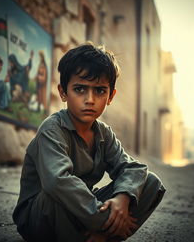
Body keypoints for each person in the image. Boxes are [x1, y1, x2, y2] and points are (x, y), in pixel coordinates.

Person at [12, 42, 166, 242]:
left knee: (150, 182)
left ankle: (97, 236)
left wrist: (122, 199)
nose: (90, 99)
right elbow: (57, 182)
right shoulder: (52, 130)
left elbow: (133, 168)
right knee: (56, 191)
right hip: (41, 219)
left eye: (100, 91)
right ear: (63, 92)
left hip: (82, 211)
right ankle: (103, 233)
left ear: (111, 96)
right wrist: (105, 220)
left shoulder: (103, 133)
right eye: (80, 89)